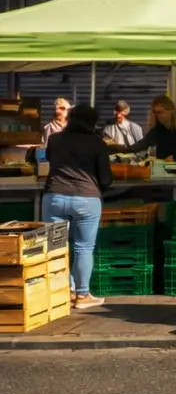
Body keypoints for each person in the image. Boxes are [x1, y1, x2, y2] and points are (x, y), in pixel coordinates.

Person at [41, 104, 112, 309]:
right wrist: (99, 189)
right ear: (92, 123)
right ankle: (82, 295)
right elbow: (106, 177)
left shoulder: (55, 139)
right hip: (86, 199)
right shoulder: (97, 143)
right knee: (84, 248)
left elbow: (50, 161)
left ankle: (62, 293)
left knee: (56, 248)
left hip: (54, 197)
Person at [123, 96, 176, 160]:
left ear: (171, 111)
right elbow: (141, 145)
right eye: (155, 112)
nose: (158, 116)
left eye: (160, 112)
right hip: (163, 172)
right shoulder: (158, 130)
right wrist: (119, 149)